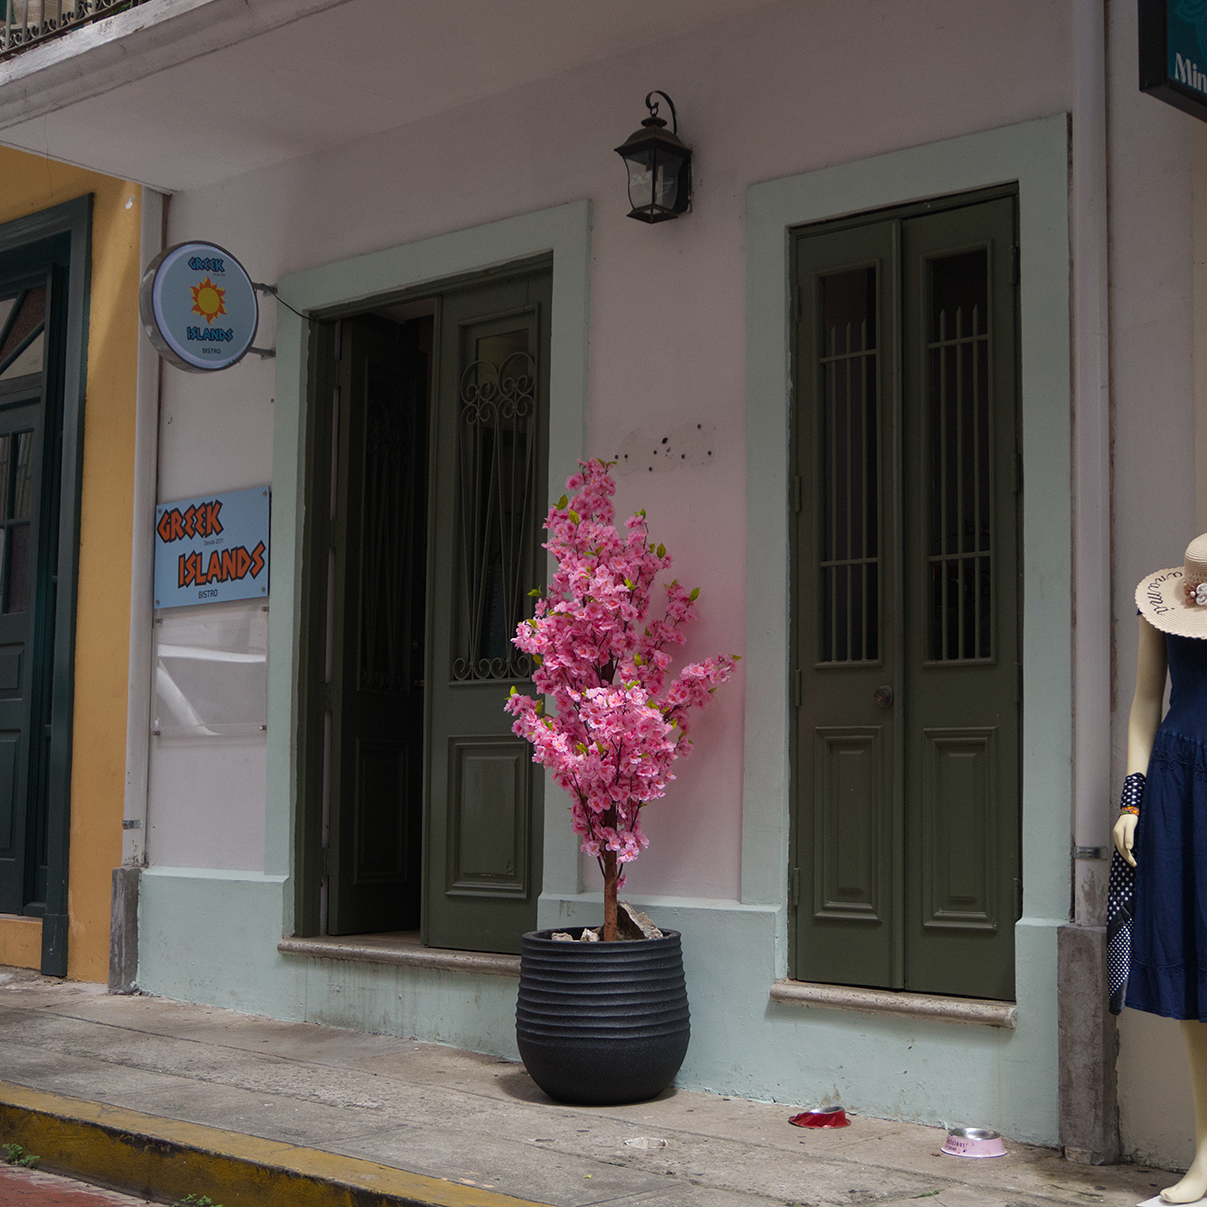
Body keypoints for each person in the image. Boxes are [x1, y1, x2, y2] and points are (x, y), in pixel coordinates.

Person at [1115, 533, 1207, 1203]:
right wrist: (1132, 797)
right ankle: (1206, 1157)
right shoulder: (1159, 611)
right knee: (1190, 976)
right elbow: (1146, 702)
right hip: (1176, 785)